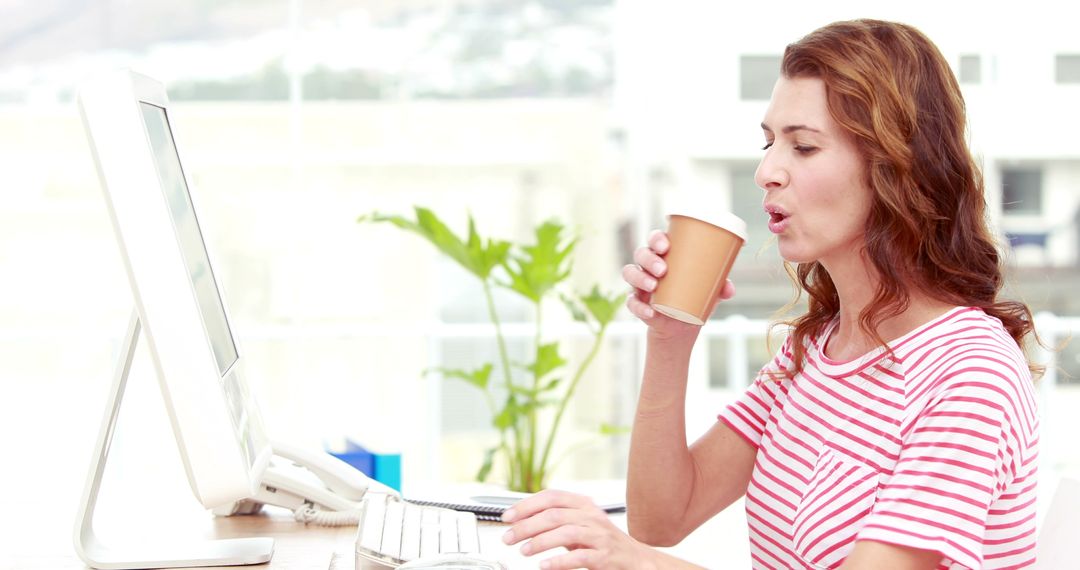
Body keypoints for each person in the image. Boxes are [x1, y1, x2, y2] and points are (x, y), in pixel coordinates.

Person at [498, 18, 1040, 570]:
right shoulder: (818, 352)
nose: (766, 172)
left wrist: (638, 563)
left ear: (895, 167)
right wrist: (672, 336)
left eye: (803, 147)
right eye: (768, 142)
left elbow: (647, 547)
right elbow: (662, 517)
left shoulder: (971, 373)